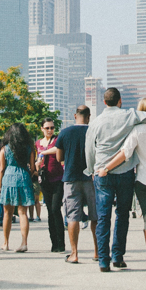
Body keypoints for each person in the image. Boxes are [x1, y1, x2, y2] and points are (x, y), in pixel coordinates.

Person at [86, 87, 146, 272]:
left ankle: (103, 261)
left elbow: (89, 150)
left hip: (102, 173)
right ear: (120, 101)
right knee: (122, 215)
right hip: (126, 171)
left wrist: (92, 170)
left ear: (104, 102)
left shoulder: (96, 122)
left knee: (103, 217)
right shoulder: (130, 115)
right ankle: (118, 256)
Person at [48, 105, 98, 265]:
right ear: (89, 116)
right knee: (95, 216)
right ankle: (98, 252)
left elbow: (59, 157)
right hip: (91, 178)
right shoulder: (94, 132)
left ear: (75, 116)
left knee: (72, 216)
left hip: (70, 178)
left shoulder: (65, 133)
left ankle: (74, 253)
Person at [0, 123, 36, 253]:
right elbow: (32, 167)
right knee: (23, 212)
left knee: (7, 213)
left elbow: (2, 169)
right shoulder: (29, 149)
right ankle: (24, 242)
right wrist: (27, 174)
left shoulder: (4, 149)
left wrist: (0, 187)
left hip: (8, 177)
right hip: (24, 176)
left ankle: (6, 242)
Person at [35, 118, 65, 252]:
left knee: (55, 209)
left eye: (52, 128)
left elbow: (56, 150)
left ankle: (61, 243)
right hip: (45, 180)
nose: (49, 130)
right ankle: (54, 243)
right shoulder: (38, 143)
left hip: (58, 179)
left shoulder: (57, 140)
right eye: (47, 128)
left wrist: (43, 152)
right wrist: (37, 163)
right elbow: (37, 159)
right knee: (50, 212)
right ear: (41, 129)